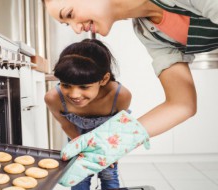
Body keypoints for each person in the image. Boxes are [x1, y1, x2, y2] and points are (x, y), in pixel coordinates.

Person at [42, 0, 218, 138]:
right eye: (67, 24)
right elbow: (181, 104)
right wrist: (113, 142)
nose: (76, 29)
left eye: (70, 14)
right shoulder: (149, 33)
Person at [44, 39, 132, 190]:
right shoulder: (53, 98)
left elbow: (119, 127)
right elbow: (66, 124)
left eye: (84, 86)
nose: (74, 94)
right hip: (77, 139)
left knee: (109, 175)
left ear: (104, 79)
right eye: (66, 85)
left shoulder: (120, 96)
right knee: (79, 177)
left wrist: (109, 152)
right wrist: (83, 149)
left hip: (107, 141)